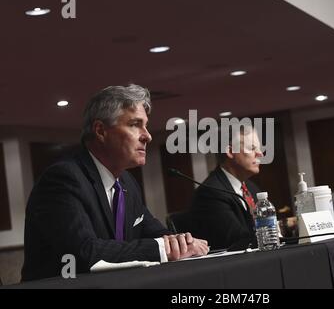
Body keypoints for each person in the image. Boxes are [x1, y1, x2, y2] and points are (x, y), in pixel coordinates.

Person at [21, 84, 209, 281]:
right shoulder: (64, 178)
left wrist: (181, 242)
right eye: (135, 124)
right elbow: (84, 253)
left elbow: (153, 231)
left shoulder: (126, 182)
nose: (147, 135)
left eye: (145, 125)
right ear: (101, 131)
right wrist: (162, 248)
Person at [190, 125, 263, 250]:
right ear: (230, 152)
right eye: (252, 148)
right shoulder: (210, 192)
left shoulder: (252, 188)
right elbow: (238, 239)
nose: (260, 154)